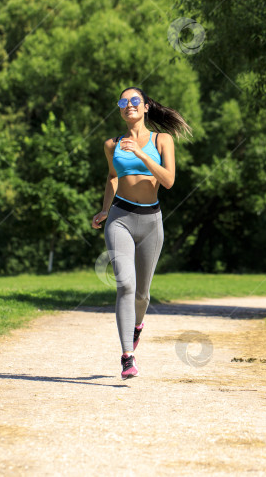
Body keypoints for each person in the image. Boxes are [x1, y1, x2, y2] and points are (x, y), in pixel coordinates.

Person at [91, 86, 192, 380]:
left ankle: (137, 325)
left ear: (146, 107)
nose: (128, 105)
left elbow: (169, 180)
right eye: (123, 102)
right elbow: (112, 177)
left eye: (134, 101)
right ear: (120, 109)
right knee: (125, 285)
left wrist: (141, 154)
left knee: (142, 294)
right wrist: (105, 209)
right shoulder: (112, 144)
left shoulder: (163, 140)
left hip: (151, 222)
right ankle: (127, 356)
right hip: (120, 218)